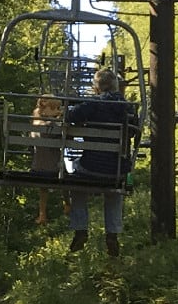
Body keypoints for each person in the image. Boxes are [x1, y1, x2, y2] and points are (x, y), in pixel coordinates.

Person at [65, 68, 136, 257]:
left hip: (90, 168)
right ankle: (112, 234)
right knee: (114, 191)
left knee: (76, 185)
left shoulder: (92, 103)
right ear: (116, 86)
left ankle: (81, 229)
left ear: (96, 88)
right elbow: (134, 130)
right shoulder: (127, 107)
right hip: (117, 170)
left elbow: (70, 116)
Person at [30, 95, 70, 225]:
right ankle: (67, 203)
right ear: (44, 109)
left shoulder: (35, 124)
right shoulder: (51, 126)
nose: (58, 111)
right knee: (63, 172)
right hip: (53, 169)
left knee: (43, 188)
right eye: (54, 108)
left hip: (37, 168)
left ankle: (42, 213)